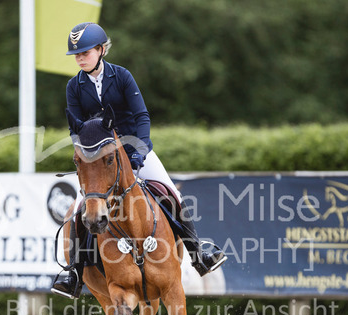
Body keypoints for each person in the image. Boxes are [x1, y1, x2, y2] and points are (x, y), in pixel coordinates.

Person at [52, 23, 227, 299]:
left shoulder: (122, 76)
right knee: (77, 213)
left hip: (135, 151)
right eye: (77, 55)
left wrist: (139, 152)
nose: (80, 58)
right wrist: (85, 158)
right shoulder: (74, 86)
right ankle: (74, 273)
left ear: (101, 50)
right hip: (99, 161)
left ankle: (198, 254)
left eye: (85, 52)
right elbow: (76, 129)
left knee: (172, 194)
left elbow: (141, 116)